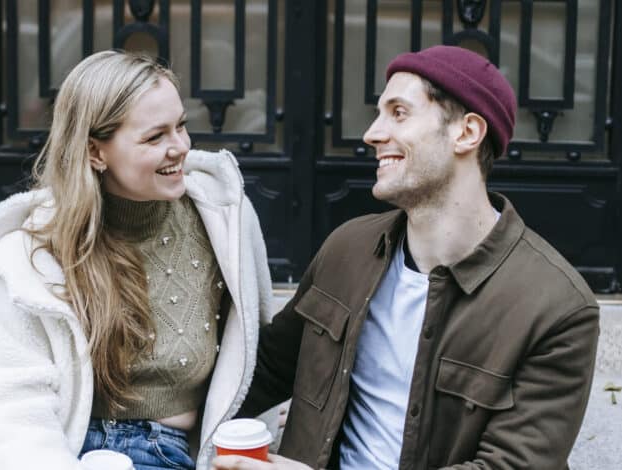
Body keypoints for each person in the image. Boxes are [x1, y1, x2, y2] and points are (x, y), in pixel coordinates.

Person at [212, 45, 599, 470]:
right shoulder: (348, 248)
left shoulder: (557, 307)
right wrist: (152, 412)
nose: (372, 134)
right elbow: (260, 371)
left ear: (467, 133)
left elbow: (511, 466)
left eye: (398, 113)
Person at [0, 50, 274, 470]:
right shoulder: (33, 252)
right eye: (154, 137)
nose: (179, 147)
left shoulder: (225, 219)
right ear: (95, 152)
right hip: (63, 445)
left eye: (181, 126)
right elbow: (8, 406)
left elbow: (259, 349)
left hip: (174, 448)